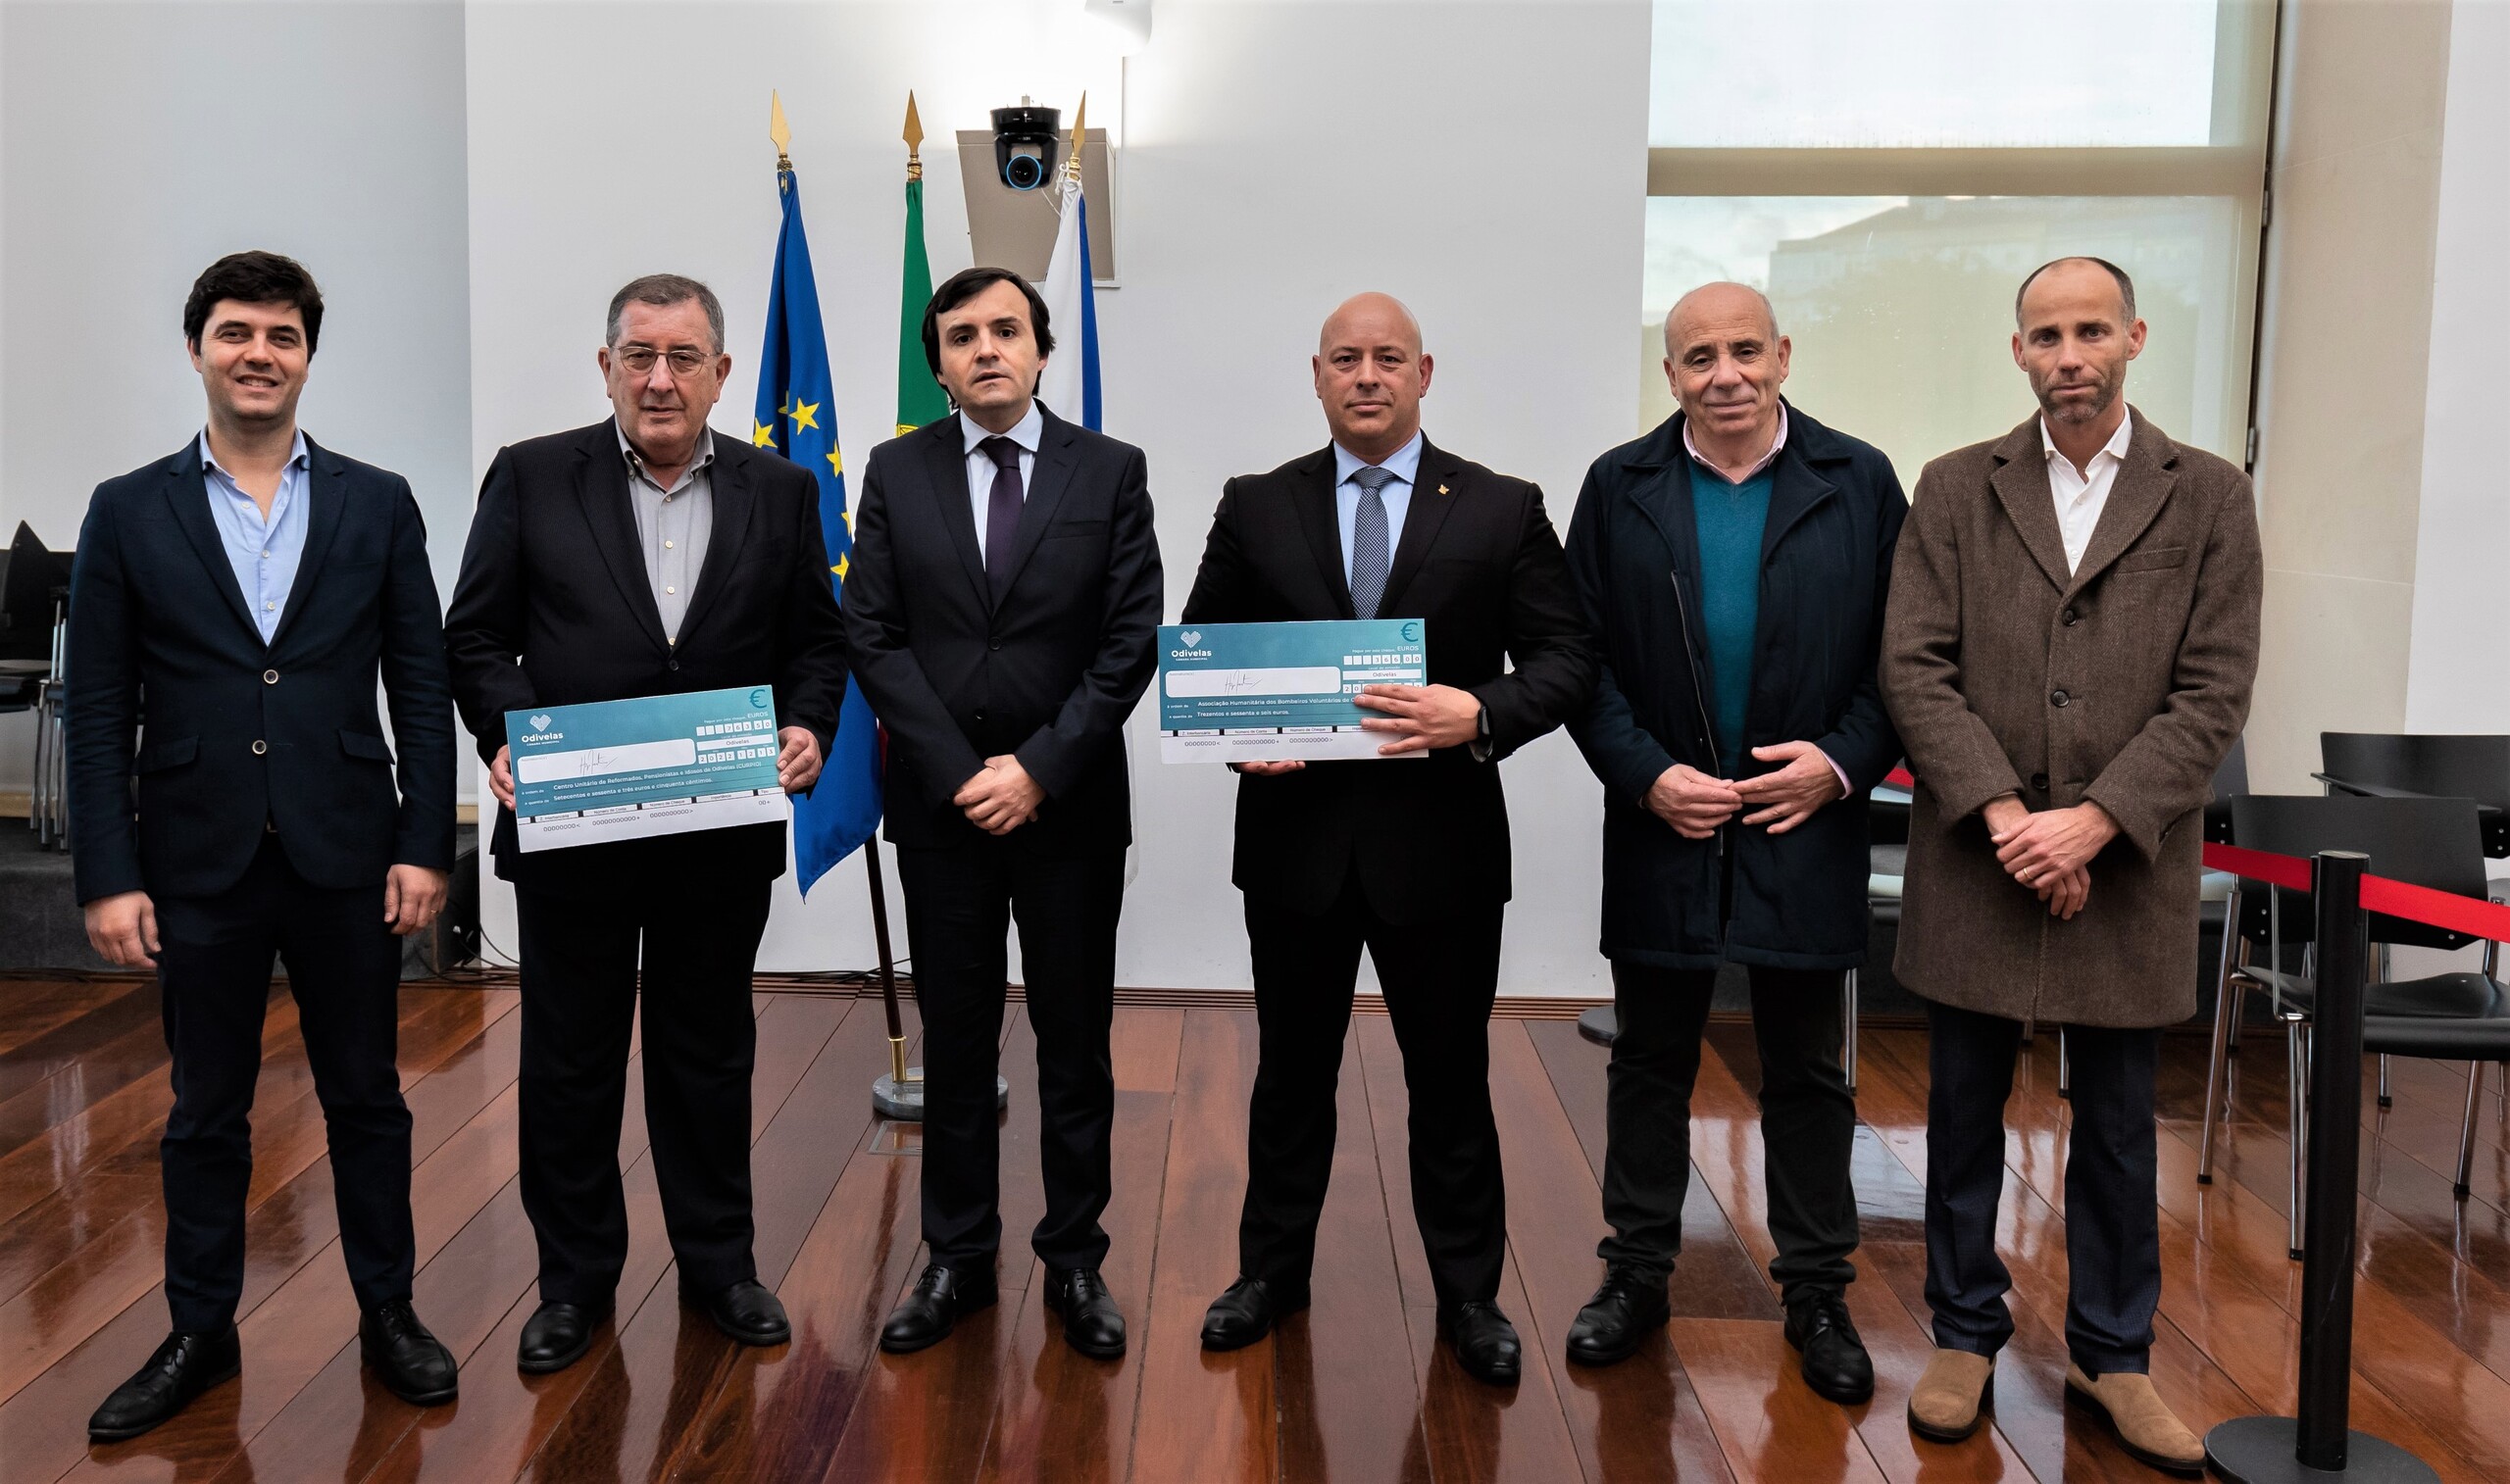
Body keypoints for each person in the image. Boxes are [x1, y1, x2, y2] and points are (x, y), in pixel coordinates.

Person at [67, 251, 460, 1438]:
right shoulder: (126, 508)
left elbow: (421, 684)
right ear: (196, 349)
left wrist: (426, 842)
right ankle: (200, 1327)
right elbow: (99, 707)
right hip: (195, 857)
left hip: (349, 852)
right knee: (204, 1108)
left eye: (282, 335)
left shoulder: (377, 500)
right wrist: (109, 872)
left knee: (367, 1097)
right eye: (235, 331)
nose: (258, 353)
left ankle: (388, 1309)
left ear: (307, 358)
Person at [1882, 257, 2260, 1473]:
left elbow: (2213, 691)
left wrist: (2092, 822)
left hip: (2127, 866)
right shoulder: (1953, 486)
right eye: (2045, 335)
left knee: (2116, 1127)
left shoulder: (2209, 495)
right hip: (1978, 857)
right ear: (2017, 351)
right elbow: (1913, 666)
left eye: (2091, 330)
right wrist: (2008, 817)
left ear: (2134, 337)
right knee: (1958, 1114)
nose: (2069, 355)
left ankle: (2112, 1352)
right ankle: (1962, 1333)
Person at [1181, 293, 1594, 1386]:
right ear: (1317, 374)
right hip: (1295, 846)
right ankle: (1270, 1274)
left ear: (1424, 373)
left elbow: (1566, 659)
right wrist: (1237, 739)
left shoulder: (1502, 506)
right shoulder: (1257, 503)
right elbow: (1204, 654)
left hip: (1442, 851)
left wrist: (1480, 712)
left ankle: (1470, 1294)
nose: (1367, 375)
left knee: (1450, 1080)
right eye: (1346, 359)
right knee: (1290, 1074)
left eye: (1388, 358)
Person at [443, 273, 848, 1374]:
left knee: (707, 1055)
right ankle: (573, 1285)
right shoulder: (532, 475)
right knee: (569, 1061)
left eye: (683, 358)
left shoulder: (780, 489)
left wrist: (808, 725)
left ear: (721, 372)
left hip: (718, 838)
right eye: (639, 356)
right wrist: (510, 737)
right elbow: (473, 637)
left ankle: (720, 1267)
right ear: (606, 367)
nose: (660, 379)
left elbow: (816, 642)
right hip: (572, 829)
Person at [1560, 283, 1906, 1401]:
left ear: (1783, 355)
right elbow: (1577, 658)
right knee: (1649, 1058)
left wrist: (1839, 764)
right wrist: (1645, 774)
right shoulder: (1617, 486)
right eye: (1698, 356)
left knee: (1806, 1067)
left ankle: (1818, 1291)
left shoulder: (1861, 481)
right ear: (1670, 375)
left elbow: (1906, 658)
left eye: (1744, 350)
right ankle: (1636, 1273)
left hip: (1806, 819)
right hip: (1662, 819)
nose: (1725, 375)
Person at [844, 267, 1161, 1360]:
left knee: (1074, 1044)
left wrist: (1036, 769)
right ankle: (958, 1256)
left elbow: (1130, 638)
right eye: (962, 335)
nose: (985, 348)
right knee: (959, 1042)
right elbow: (872, 632)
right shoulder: (896, 471)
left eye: (1006, 330)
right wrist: (958, 771)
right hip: (943, 815)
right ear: (938, 363)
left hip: (1069, 809)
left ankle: (1074, 1258)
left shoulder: (1110, 470)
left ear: (1040, 349)